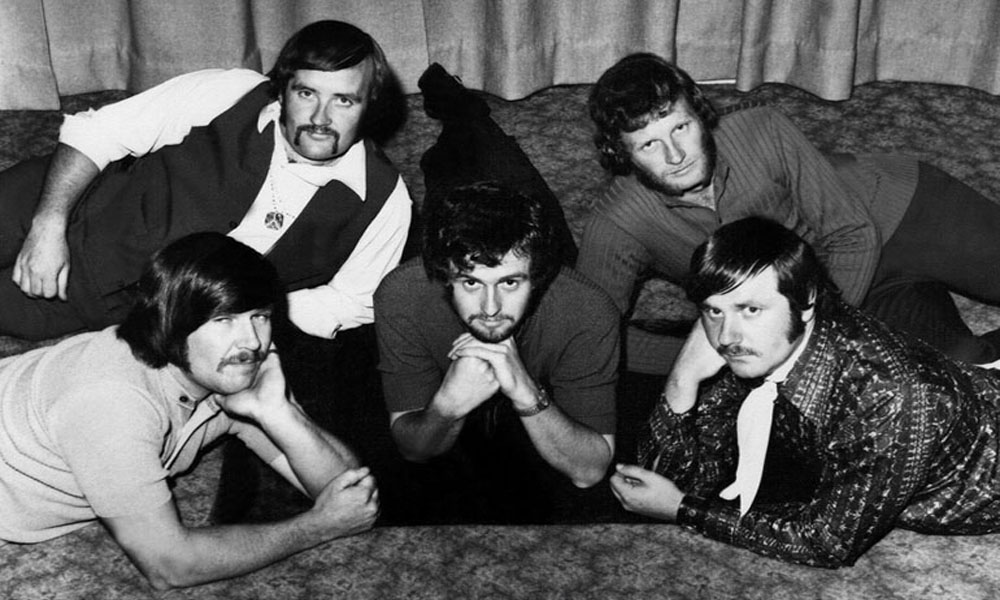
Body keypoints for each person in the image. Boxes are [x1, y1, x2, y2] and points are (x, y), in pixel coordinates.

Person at [612, 217, 1000, 567]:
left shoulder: (888, 398)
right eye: (714, 311)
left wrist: (682, 510)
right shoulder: (763, 342)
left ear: (807, 301)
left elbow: (827, 542)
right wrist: (681, 380)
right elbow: (671, 480)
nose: (727, 336)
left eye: (750, 309)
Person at [578, 52, 1000, 374]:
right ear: (621, 155)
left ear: (701, 116)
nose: (675, 156)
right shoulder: (618, 223)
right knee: (966, 375)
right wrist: (724, 355)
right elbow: (588, 337)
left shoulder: (762, 128)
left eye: (680, 128)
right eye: (649, 144)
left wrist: (800, 340)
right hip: (842, 288)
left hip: (903, 211)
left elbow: (851, 232)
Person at [0, 232, 379, 589]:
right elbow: (169, 565)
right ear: (172, 324)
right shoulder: (110, 404)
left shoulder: (221, 364)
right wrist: (316, 527)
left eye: (259, 316)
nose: (251, 342)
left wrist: (279, 412)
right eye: (223, 320)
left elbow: (350, 490)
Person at [0, 19, 411, 341]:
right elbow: (99, 131)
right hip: (50, 201)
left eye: (344, 100)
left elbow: (354, 302)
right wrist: (48, 223)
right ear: (283, 90)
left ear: (369, 105)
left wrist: (244, 310)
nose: (321, 118)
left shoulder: (385, 201)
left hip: (94, 303)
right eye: (307, 93)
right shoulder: (231, 93)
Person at [373, 181, 619, 523]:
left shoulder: (588, 310)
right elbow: (413, 451)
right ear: (445, 277)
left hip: (544, 412)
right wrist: (448, 404)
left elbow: (589, 471)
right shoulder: (401, 295)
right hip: (447, 416)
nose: (490, 308)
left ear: (538, 278)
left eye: (510, 283)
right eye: (471, 282)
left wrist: (526, 392)